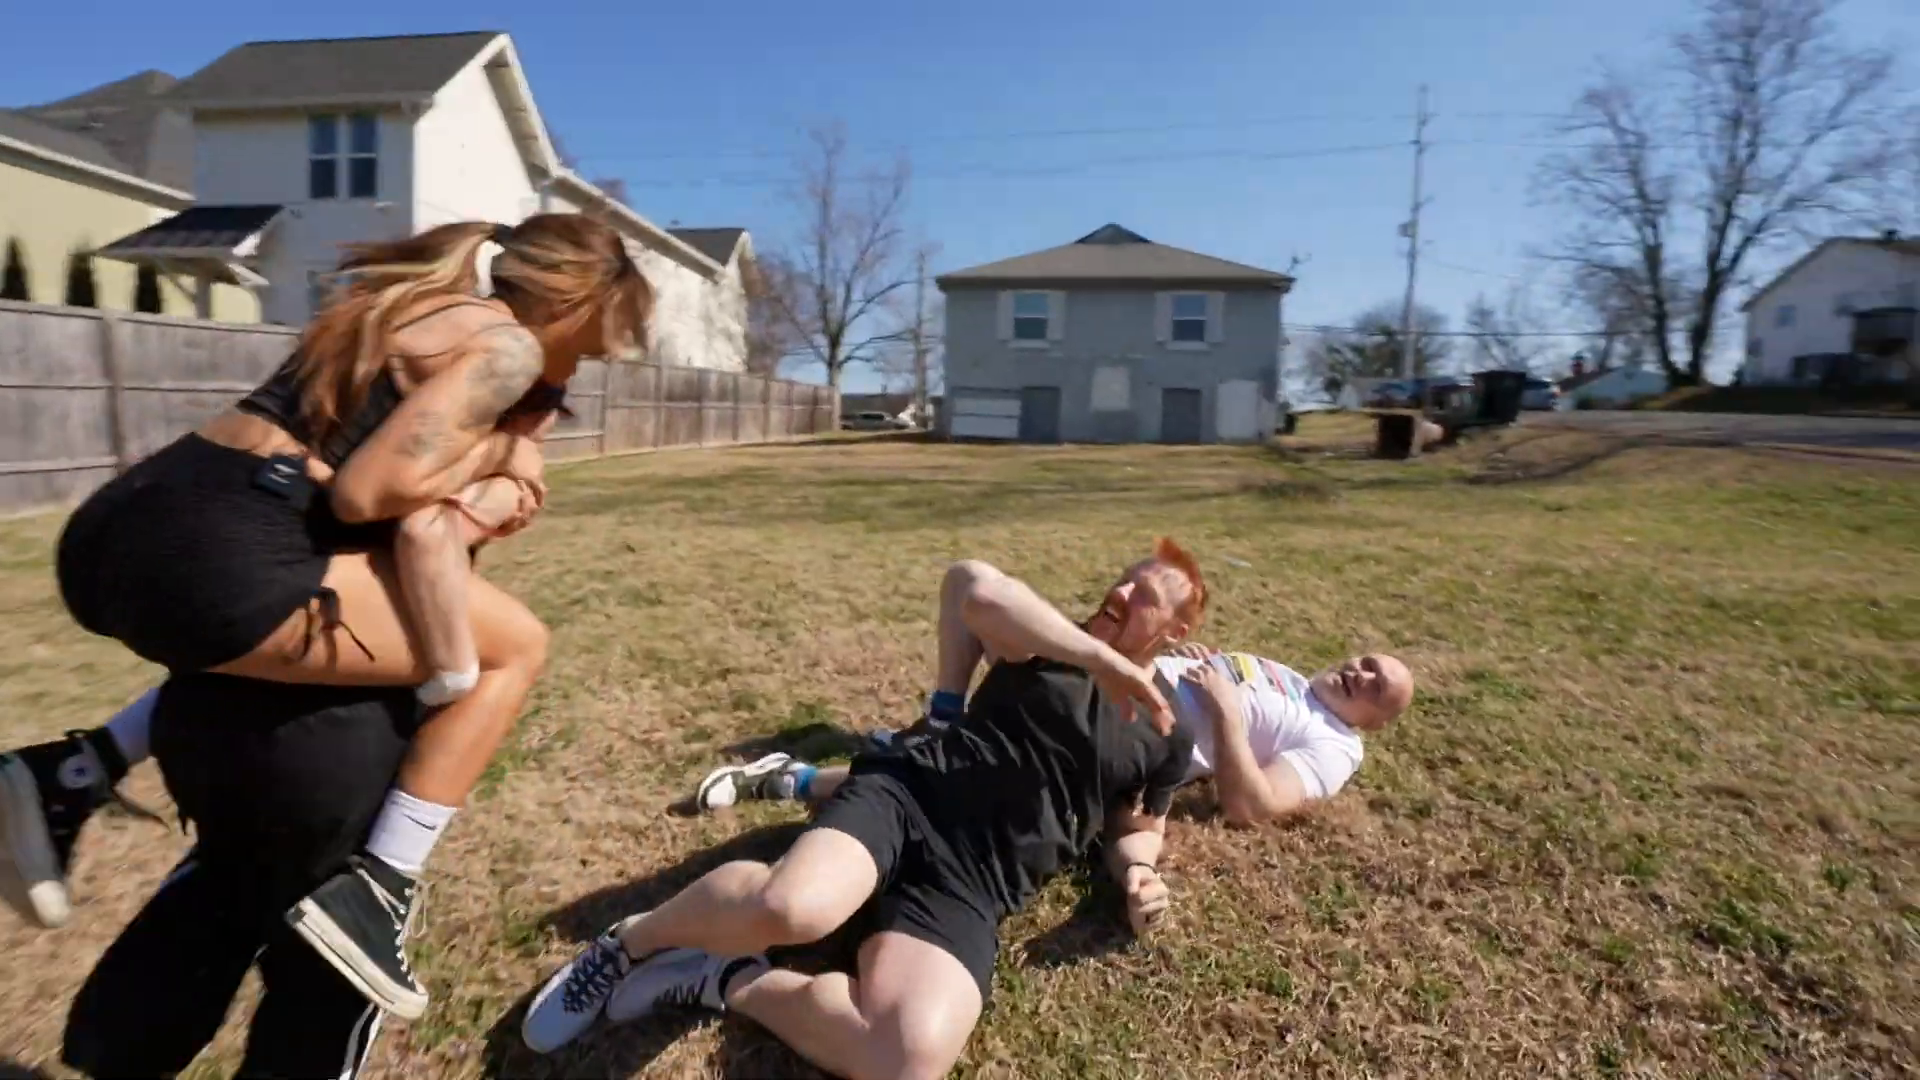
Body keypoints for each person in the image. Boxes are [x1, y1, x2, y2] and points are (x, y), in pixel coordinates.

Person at [0, 213, 650, 1021]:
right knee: (514, 648)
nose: (578, 368)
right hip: (228, 546)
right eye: (586, 348)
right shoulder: (509, 347)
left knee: (304, 649)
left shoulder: (417, 304)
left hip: (134, 517)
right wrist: (501, 455)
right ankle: (382, 888)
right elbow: (368, 493)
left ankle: (72, 770)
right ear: (573, 300)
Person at [519, 544, 1206, 1080]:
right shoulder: (1049, 640)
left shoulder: (1167, 732)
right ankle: (627, 945)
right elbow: (969, 582)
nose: (1120, 593)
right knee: (792, 909)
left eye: (1143, 596)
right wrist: (1093, 657)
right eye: (1124, 579)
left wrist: (1139, 873)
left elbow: (1136, 827)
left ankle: (724, 978)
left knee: (905, 1057)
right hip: (910, 799)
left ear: (1176, 631)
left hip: (977, 885)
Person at [698, 642, 1414, 827]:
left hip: (1132, 728)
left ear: (1375, 723)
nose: (1358, 672)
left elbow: (1251, 807)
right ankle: (923, 736)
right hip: (1121, 674)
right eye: (1364, 662)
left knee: (972, 775)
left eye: (1373, 684)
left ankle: (791, 778)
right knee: (993, 612)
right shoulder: (1294, 678)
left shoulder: (1336, 747)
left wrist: (1224, 710)